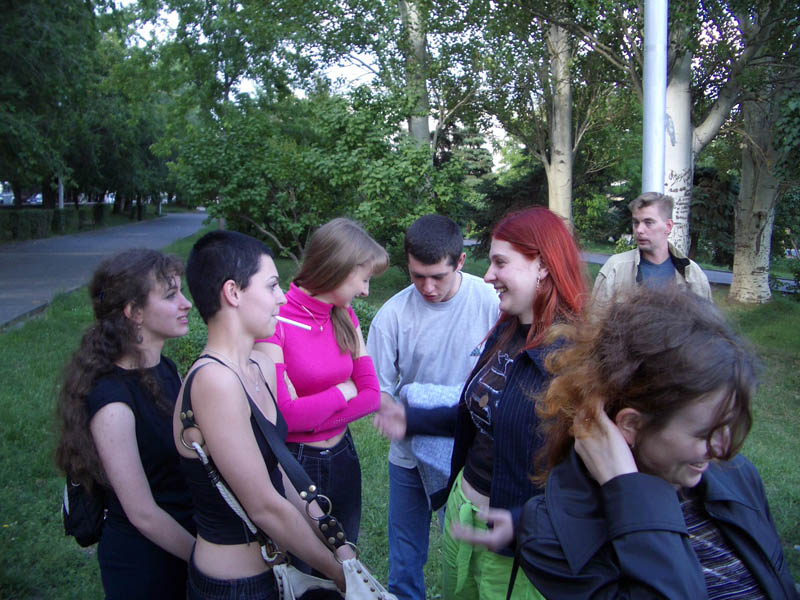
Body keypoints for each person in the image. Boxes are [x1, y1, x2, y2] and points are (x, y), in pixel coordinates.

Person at [458, 288, 798, 599]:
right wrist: (629, 490)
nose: (723, 450)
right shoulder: (551, 539)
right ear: (631, 424)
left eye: (727, 427)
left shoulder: (735, 475)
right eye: (703, 434)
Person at [176, 230, 354, 599]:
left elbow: (278, 470)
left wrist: (333, 539)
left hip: (272, 574)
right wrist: (339, 574)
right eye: (272, 285)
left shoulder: (259, 366)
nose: (282, 297)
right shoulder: (215, 381)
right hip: (233, 587)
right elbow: (264, 507)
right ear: (233, 292)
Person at [440, 206, 587, 600]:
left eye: (500, 262)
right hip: (462, 514)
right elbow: (485, 414)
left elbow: (588, 477)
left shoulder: (574, 358)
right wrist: (413, 419)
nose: (488, 275)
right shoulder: (507, 330)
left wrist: (523, 523)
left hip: (515, 549)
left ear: (543, 265)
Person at [367, 214, 499, 600]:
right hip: (408, 458)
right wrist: (390, 411)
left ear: (460, 261)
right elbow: (377, 389)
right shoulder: (392, 316)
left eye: (438, 277)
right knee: (405, 560)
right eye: (417, 276)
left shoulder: (490, 302)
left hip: (467, 458)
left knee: (467, 561)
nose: (427, 287)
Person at [55, 249, 196, 599]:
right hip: (148, 566)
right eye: (171, 295)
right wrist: (206, 561)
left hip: (186, 539)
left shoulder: (166, 370)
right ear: (134, 312)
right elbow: (142, 513)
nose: (187, 304)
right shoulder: (113, 403)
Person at [255, 218, 387, 550]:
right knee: (305, 560)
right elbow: (284, 417)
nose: (366, 291)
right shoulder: (275, 320)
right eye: (364, 279)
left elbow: (372, 396)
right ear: (339, 269)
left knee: (346, 557)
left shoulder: (344, 315)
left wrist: (308, 415)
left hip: (344, 456)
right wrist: (343, 391)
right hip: (298, 463)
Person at [592, 192, 711, 303]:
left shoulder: (692, 273)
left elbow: (706, 317)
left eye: (648, 222)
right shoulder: (615, 268)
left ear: (668, 226)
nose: (639, 230)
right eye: (636, 222)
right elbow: (597, 316)